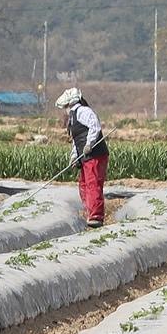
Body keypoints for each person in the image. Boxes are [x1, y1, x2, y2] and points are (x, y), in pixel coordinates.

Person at [55, 87, 109, 228]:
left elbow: (95, 126)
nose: (65, 109)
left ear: (70, 104)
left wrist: (89, 144)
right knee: (84, 185)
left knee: (93, 184)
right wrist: (74, 156)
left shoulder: (83, 111)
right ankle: (90, 212)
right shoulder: (73, 117)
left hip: (95, 154)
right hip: (85, 156)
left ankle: (96, 216)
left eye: (65, 106)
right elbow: (76, 140)